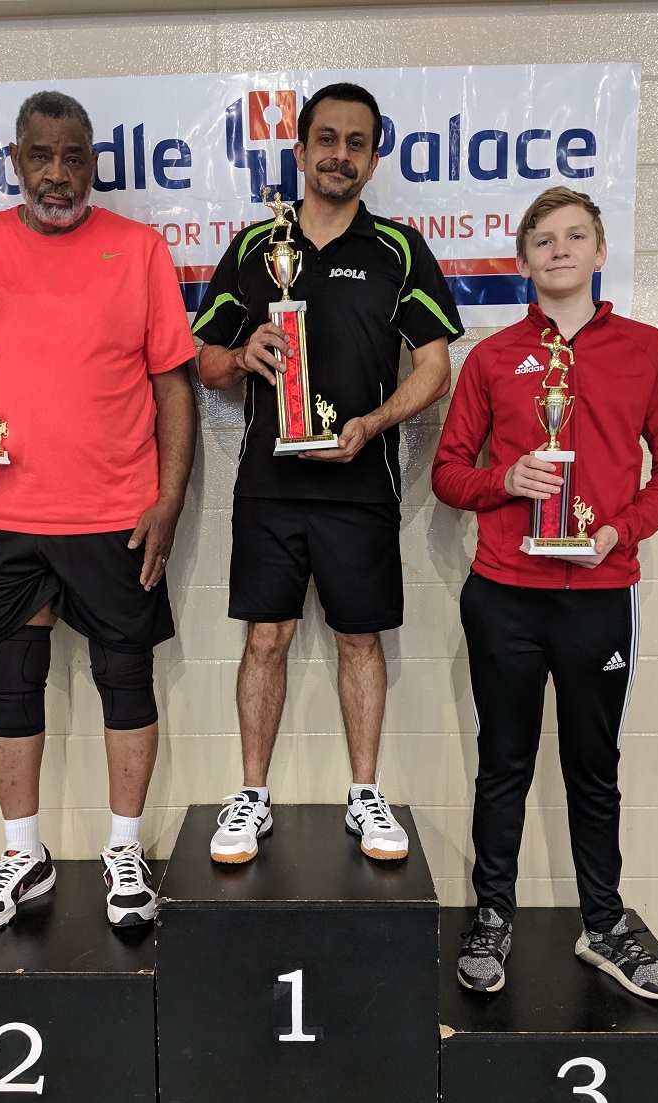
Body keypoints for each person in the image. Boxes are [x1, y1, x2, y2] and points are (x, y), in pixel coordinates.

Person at [0, 91, 196, 932]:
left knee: (125, 681)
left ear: (93, 165)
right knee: (12, 686)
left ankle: (124, 852)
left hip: (114, 517)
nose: (58, 174)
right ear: (16, 161)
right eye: (42, 156)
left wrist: (170, 500)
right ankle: (22, 856)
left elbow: (172, 385)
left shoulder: (138, 250)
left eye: (74, 157)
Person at [432, 186, 658, 1000]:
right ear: (523, 260)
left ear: (600, 250)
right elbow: (448, 473)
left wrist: (622, 529)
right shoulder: (492, 358)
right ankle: (492, 918)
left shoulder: (647, 350)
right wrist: (504, 480)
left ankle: (604, 926)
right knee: (502, 765)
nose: (559, 251)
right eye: (543, 240)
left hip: (600, 594)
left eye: (575, 237)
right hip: (505, 593)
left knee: (594, 768)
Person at [193, 82, 463, 864]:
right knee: (265, 638)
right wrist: (242, 355)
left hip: (361, 484)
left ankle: (364, 794)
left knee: (359, 640)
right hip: (269, 486)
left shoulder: (400, 250)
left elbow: (435, 369)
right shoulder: (255, 247)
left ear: (373, 160)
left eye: (356, 143)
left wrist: (373, 425)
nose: (340, 155)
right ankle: (251, 796)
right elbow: (204, 361)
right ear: (301, 149)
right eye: (327, 139)